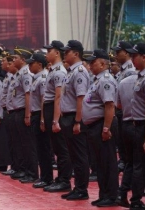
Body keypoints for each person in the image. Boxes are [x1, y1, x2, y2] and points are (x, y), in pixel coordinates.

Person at [82, 49, 118, 207]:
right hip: (94, 126)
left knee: (107, 162)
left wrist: (106, 129)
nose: (90, 65)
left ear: (103, 63)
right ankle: (104, 194)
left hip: (102, 125)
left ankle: (111, 196)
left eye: (93, 62)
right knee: (100, 163)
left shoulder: (106, 80)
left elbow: (109, 106)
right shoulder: (97, 79)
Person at [126, 43, 145, 209]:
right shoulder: (141, 75)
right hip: (138, 125)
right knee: (142, 165)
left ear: (144, 57)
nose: (132, 59)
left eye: (134, 56)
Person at [58, 40, 90, 199]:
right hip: (67, 117)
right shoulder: (70, 71)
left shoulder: (79, 72)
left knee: (79, 155)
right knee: (73, 155)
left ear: (76, 54)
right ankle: (77, 187)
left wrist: (78, 121)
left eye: (67, 52)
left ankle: (82, 190)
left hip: (74, 118)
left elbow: (81, 98)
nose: (65, 54)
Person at [41, 40, 71, 191]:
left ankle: (64, 180)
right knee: (56, 147)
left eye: (49, 51)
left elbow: (59, 96)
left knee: (61, 147)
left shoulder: (59, 71)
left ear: (57, 53)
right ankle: (59, 178)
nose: (47, 54)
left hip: (54, 108)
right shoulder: (53, 70)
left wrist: (55, 119)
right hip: (49, 107)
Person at [8, 46, 38, 183]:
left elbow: (28, 94)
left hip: (23, 111)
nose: (13, 60)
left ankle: (32, 173)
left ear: (23, 60)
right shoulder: (19, 73)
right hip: (16, 111)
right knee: (20, 144)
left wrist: (27, 115)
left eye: (16, 58)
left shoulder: (26, 73)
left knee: (28, 144)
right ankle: (24, 170)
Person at [26, 53, 53, 187]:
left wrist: (42, 119)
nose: (29, 66)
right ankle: (44, 176)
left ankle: (47, 177)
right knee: (40, 147)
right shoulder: (36, 78)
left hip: (40, 114)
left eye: (32, 63)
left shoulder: (42, 79)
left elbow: (44, 100)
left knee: (44, 148)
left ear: (40, 65)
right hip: (36, 114)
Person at [111, 41, 137, 173]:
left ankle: (126, 163)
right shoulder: (123, 70)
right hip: (121, 110)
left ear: (126, 53)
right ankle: (124, 161)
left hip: (127, 111)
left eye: (118, 52)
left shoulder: (130, 71)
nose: (115, 55)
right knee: (121, 141)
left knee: (128, 146)